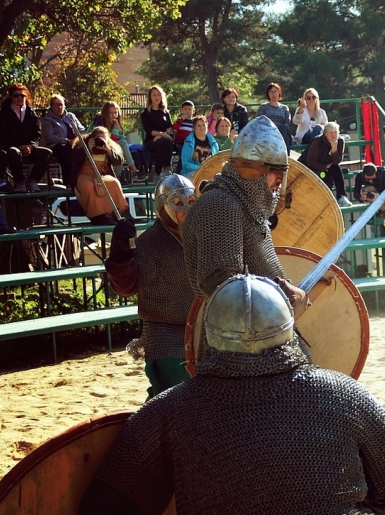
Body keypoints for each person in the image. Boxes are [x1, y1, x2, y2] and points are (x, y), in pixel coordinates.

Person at [78, 274, 385, 515]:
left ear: (209, 335)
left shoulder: (166, 412)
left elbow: (107, 507)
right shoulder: (346, 396)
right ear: (288, 330)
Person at [181, 115, 308, 312]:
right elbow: (222, 287)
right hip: (235, 337)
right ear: (252, 169)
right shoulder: (219, 205)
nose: (280, 181)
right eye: (276, 171)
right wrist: (280, 288)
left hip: (263, 328)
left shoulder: (246, 206)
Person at [105, 174, 197, 398]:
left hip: (202, 333)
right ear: (163, 207)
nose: (185, 210)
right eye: (177, 203)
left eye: (191, 202)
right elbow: (126, 286)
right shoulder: (151, 242)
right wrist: (120, 254)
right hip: (167, 338)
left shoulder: (200, 236)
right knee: (174, 401)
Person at [70, 126, 130, 225]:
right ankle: (98, 216)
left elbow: (118, 162)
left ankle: (119, 212)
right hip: (84, 175)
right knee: (89, 186)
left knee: (113, 182)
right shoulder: (83, 145)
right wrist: (87, 148)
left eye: (104, 139)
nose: (101, 141)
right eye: (99, 139)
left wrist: (109, 150)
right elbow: (73, 159)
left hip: (102, 176)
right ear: (92, 138)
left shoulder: (109, 147)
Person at [0, 84, 52, 192]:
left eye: (22, 96)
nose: (20, 98)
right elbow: (3, 134)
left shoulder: (30, 113)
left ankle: (33, 181)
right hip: (11, 147)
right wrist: (18, 146)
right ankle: (19, 182)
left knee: (47, 153)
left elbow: (37, 134)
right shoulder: (4, 113)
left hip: (28, 147)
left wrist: (31, 146)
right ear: (11, 97)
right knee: (14, 152)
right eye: (16, 96)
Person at [88, 101, 140, 182]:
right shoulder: (99, 122)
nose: (114, 115)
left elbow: (121, 137)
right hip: (98, 147)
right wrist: (116, 130)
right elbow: (109, 140)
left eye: (115, 112)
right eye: (111, 113)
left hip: (110, 148)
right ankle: (133, 170)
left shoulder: (115, 123)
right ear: (106, 113)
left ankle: (118, 176)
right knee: (122, 144)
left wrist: (119, 130)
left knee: (121, 146)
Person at [41, 93, 85, 187]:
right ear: (51, 106)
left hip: (74, 143)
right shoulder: (47, 120)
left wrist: (77, 140)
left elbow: (82, 130)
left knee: (84, 149)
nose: (59, 107)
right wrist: (66, 141)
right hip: (57, 146)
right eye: (56, 105)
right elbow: (49, 137)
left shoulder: (71, 116)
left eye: (61, 104)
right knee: (65, 150)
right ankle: (69, 181)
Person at [304, 121, 350, 207]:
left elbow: (337, 161)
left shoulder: (340, 141)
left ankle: (342, 196)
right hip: (312, 166)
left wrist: (334, 149)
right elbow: (310, 161)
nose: (333, 135)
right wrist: (324, 167)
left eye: (336, 132)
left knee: (336, 168)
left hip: (328, 165)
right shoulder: (317, 141)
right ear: (325, 134)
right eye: (331, 133)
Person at [140, 86, 174, 183]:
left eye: (159, 95)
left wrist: (163, 134)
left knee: (161, 147)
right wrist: (162, 134)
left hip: (163, 140)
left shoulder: (165, 112)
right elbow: (149, 131)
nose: (156, 97)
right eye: (154, 95)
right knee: (165, 141)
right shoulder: (145, 112)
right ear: (150, 97)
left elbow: (170, 127)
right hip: (151, 141)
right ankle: (168, 168)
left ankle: (157, 174)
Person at [255, 82, 292, 151]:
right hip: (267, 131)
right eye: (271, 92)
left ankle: (284, 157)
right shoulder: (263, 107)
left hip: (281, 132)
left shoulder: (284, 108)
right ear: (268, 94)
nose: (274, 94)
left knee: (285, 131)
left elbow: (287, 123)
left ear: (279, 93)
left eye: (275, 91)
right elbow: (258, 121)